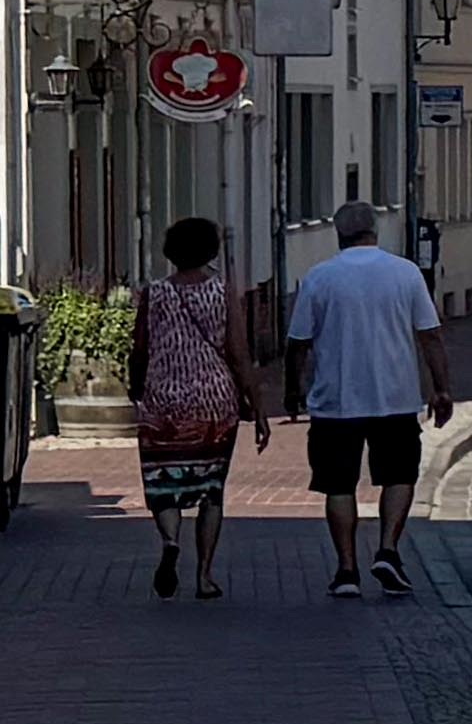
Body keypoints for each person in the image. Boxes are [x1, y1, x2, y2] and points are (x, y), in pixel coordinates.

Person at [280, 198, 453, 597]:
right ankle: (388, 549)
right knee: (400, 475)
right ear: (376, 230)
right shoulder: (405, 273)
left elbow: (298, 343)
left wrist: (293, 389)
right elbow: (430, 336)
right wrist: (441, 388)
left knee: (338, 484)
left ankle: (346, 570)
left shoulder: (320, 277)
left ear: (338, 233)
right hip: (396, 396)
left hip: (336, 400)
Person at [128, 216, 270, 599]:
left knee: (163, 484)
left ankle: (170, 540)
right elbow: (239, 353)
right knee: (211, 491)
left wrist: (136, 387)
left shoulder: (154, 293)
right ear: (211, 250)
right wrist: (257, 407)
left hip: (163, 403)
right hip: (215, 406)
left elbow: (139, 348)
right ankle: (204, 576)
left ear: (171, 251)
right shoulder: (222, 291)